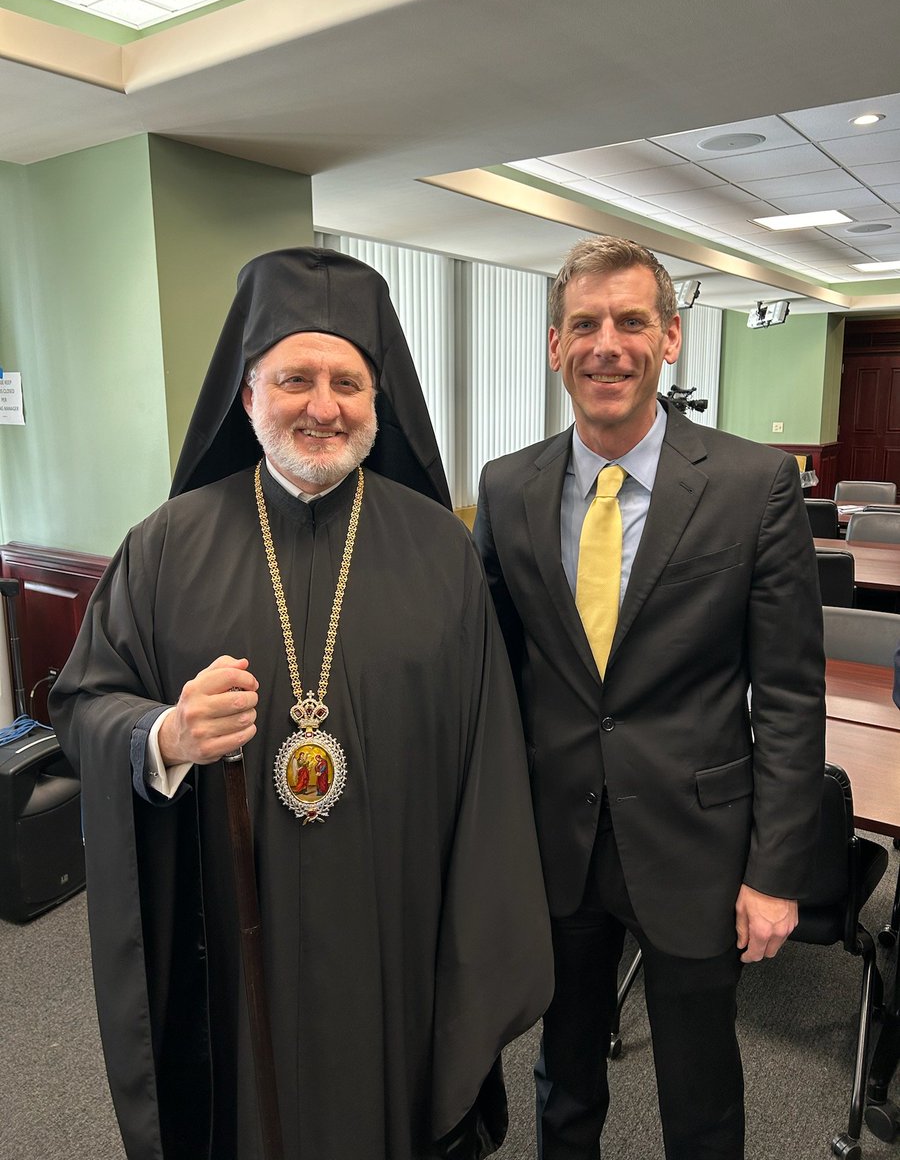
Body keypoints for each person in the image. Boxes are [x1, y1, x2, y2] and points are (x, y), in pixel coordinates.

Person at [50, 248, 553, 1160]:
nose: (323, 405)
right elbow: (83, 702)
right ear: (247, 396)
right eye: (295, 379)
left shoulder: (442, 551)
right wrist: (161, 733)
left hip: (397, 927)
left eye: (347, 383)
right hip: (233, 936)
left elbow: (489, 762)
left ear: (377, 401)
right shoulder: (164, 547)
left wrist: (476, 951)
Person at [473, 236, 825, 1159]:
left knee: (700, 1092)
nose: (607, 345)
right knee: (564, 1076)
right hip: (556, 840)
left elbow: (788, 694)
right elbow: (491, 675)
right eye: (584, 324)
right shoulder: (506, 489)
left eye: (632, 321)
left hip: (699, 845)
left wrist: (776, 871)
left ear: (671, 339)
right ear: (554, 346)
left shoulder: (755, 486)